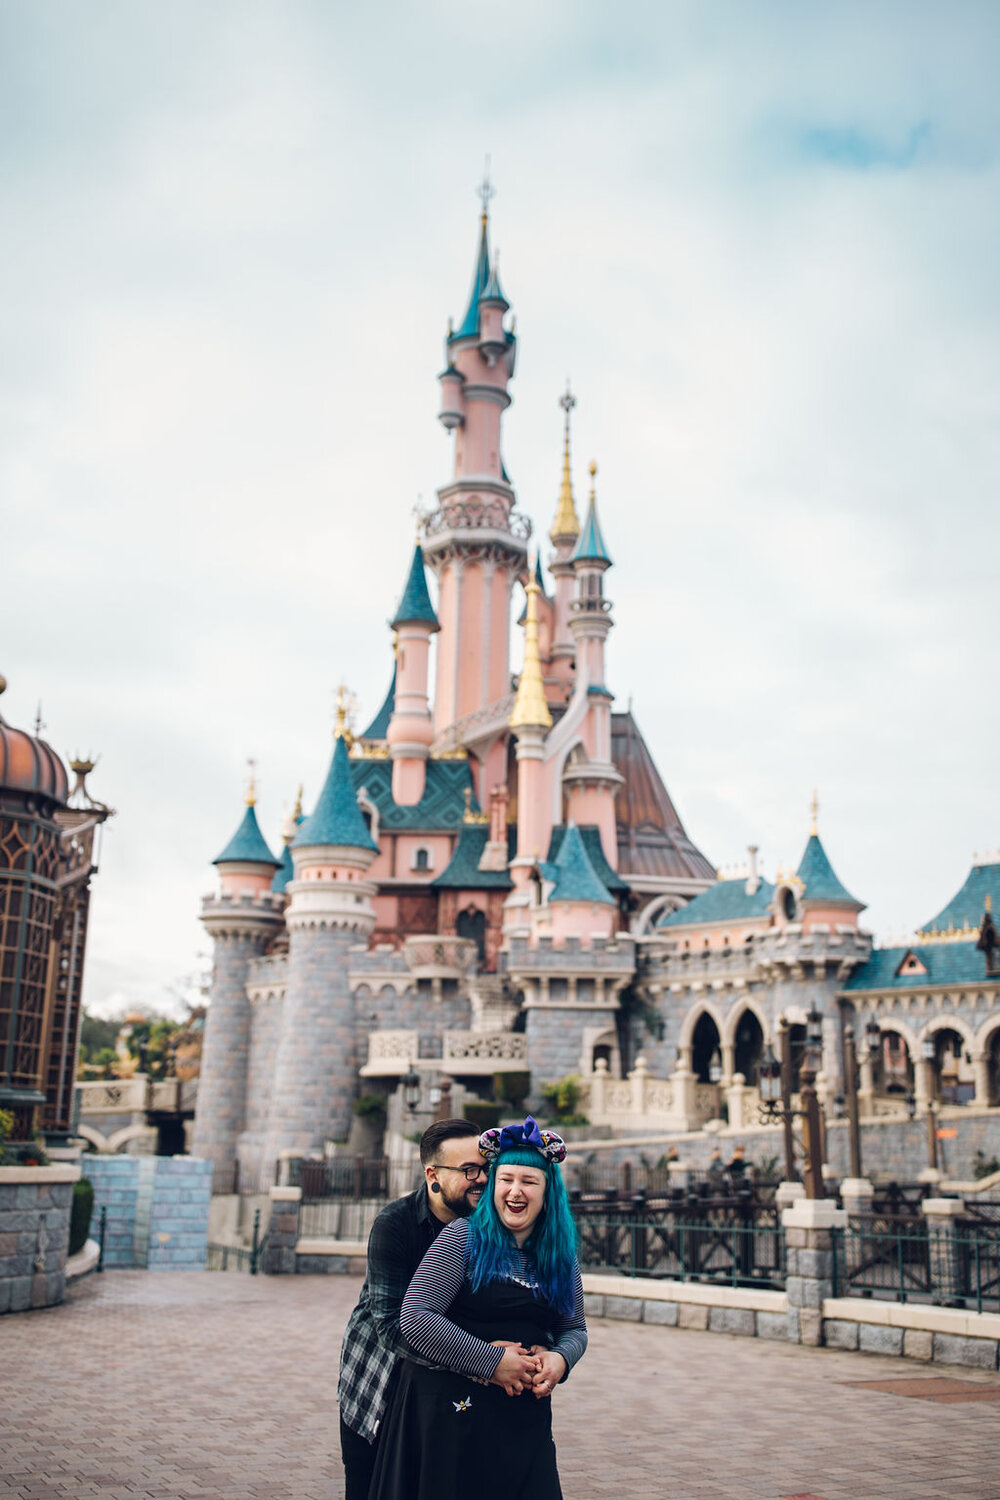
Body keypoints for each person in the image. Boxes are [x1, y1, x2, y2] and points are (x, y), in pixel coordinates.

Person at [369, 1115, 587, 1500]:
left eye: (528, 1182)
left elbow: (575, 1329)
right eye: (506, 1180)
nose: (515, 1191)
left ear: (547, 1191)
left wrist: (560, 1360)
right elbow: (415, 1318)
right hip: (452, 1413)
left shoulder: (560, 1254)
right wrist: (490, 1361)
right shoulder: (463, 1236)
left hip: (522, 1417)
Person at [337, 1118, 487, 1500]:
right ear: (432, 1174)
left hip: (450, 1392)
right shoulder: (396, 1224)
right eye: (469, 1169)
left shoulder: (490, 1228)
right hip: (381, 1381)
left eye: (486, 1167)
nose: (482, 1179)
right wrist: (485, 1361)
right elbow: (392, 1327)